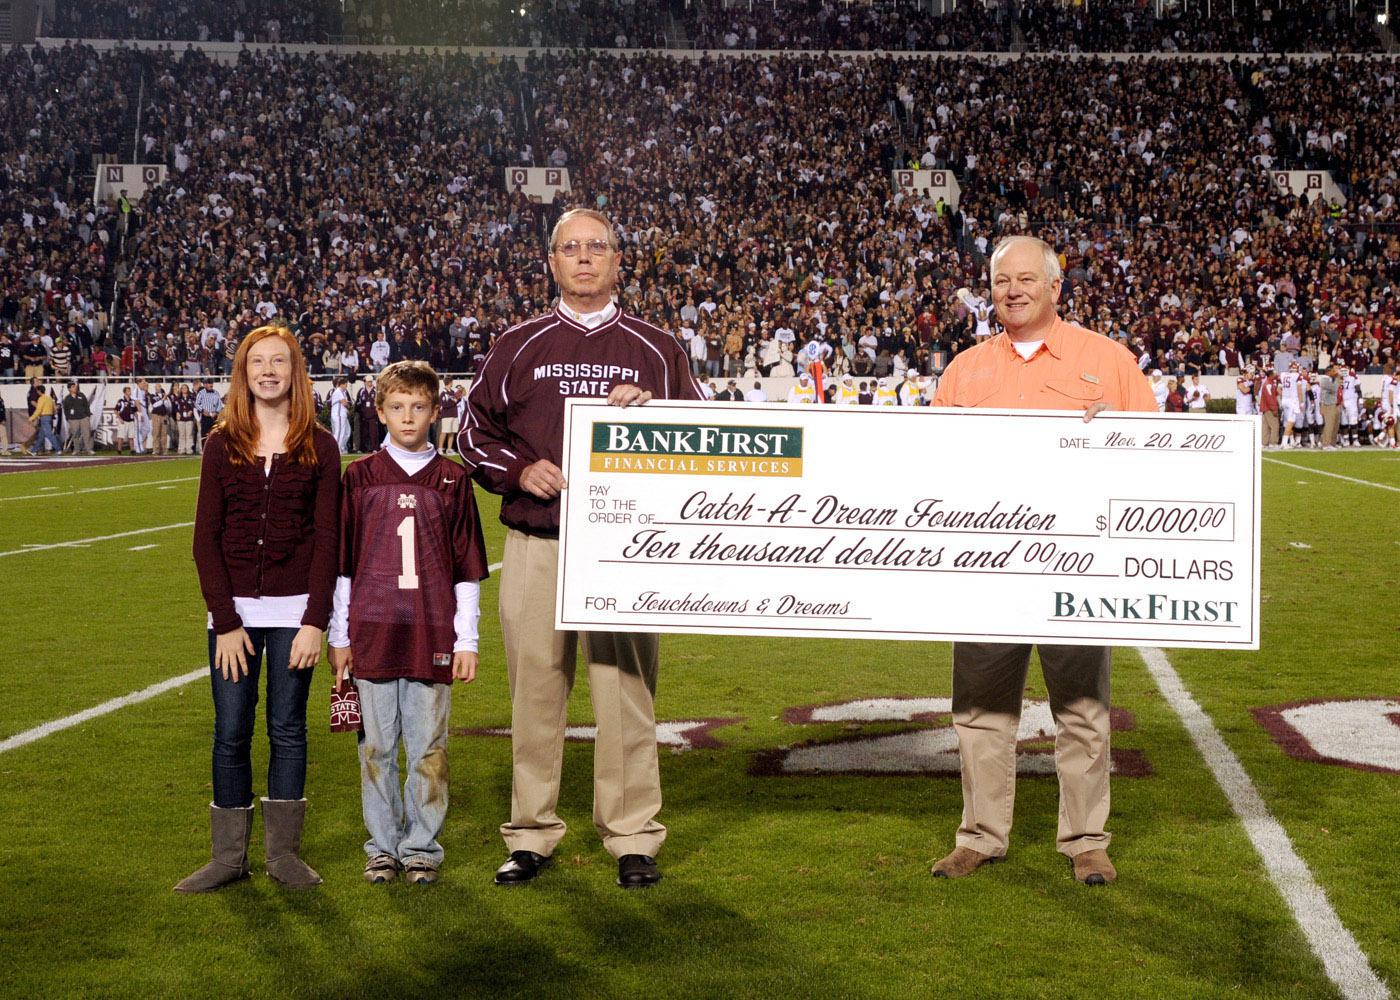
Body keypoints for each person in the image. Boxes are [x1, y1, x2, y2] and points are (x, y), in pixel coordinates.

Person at [459, 207, 702, 890]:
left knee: (625, 692)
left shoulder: (657, 349)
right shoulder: (517, 343)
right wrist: (517, 470)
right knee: (536, 691)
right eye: (572, 247)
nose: (585, 257)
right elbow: (470, 433)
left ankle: (632, 835)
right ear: (552, 262)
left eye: (598, 246)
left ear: (618, 260)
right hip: (539, 542)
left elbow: (705, 430)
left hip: (624, 551)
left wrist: (653, 412)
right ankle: (531, 832)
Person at [930, 235, 1156, 887]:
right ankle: (979, 835)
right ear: (991, 289)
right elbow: (930, 469)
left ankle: (1086, 839)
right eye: (1003, 281)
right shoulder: (964, 370)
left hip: (1075, 569)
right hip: (989, 569)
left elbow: (1163, 451)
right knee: (980, 708)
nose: (1015, 290)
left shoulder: (1108, 361)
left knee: (1082, 707)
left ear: (1057, 288)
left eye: (1029, 279)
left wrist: (1125, 432)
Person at [180, 325, 341, 894]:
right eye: (257, 363)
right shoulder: (220, 444)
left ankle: (283, 856)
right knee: (230, 731)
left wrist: (315, 621)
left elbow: (328, 540)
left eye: (279, 362)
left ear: (295, 372)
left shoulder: (321, 445)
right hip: (233, 620)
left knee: (288, 729)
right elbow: (206, 538)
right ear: (243, 374)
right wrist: (225, 621)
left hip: (294, 614)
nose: (268, 371)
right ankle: (228, 859)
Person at [328, 361, 490, 885]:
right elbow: (344, 564)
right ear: (378, 412)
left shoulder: (453, 480)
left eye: (418, 407)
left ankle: (421, 845)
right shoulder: (359, 477)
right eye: (396, 407)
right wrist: (339, 634)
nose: (407, 416)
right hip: (372, 628)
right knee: (376, 747)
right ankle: (382, 844)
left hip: (430, 630)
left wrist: (467, 637)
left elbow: (467, 568)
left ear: (434, 412)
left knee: (428, 747)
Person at [27, 384, 62, 456]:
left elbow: (38, 410)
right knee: (41, 436)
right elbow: (54, 409)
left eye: (37, 391)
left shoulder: (41, 399)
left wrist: (31, 418)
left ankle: (58, 449)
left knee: (49, 434)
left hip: (44, 418)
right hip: (49, 417)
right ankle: (34, 450)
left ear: (39, 391)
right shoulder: (49, 398)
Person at [61, 382, 93, 455]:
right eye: (73, 387)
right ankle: (76, 450)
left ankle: (88, 450)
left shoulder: (81, 395)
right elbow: (65, 410)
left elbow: (86, 405)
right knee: (75, 435)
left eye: (75, 386)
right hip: (73, 419)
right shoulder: (67, 398)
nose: (75, 388)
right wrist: (68, 418)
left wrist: (88, 415)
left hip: (84, 418)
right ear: (69, 389)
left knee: (87, 434)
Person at [329, 376, 352, 453]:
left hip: (342, 414)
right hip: (338, 414)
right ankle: (335, 449)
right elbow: (344, 403)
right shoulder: (338, 391)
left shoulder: (342, 392)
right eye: (345, 384)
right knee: (339, 432)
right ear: (341, 384)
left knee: (347, 431)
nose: (346, 386)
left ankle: (341, 447)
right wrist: (348, 406)